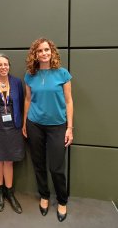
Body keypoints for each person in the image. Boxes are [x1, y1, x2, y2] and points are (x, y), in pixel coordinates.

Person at [22, 38, 74, 222]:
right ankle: (44, 196)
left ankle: (62, 200)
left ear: (51, 51)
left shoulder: (63, 74)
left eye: (46, 50)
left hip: (58, 126)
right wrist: (24, 123)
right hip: (34, 124)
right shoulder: (30, 75)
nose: (44, 53)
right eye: (40, 51)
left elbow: (69, 101)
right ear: (35, 55)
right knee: (39, 163)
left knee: (56, 167)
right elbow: (28, 100)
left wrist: (69, 128)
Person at [0, 54, 24, 213]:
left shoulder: (16, 82)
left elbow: (21, 102)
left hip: (13, 127)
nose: (3, 67)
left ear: (9, 66)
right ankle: (0, 192)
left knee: (9, 160)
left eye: (6, 64)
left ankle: (10, 193)